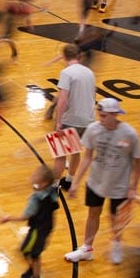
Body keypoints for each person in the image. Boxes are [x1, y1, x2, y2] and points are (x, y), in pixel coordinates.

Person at [64, 97, 140, 265]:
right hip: (95, 181)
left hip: (119, 185)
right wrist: (75, 182)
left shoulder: (129, 134)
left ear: (115, 115)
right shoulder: (93, 129)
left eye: (104, 116)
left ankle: (116, 245)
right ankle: (87, 249)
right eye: (99, 115)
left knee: (115, 218)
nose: (100, 119)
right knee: (93, 213)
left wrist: (133, 187)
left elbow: (138, 162)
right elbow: (86, 157)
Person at [0, 166, 60, 278]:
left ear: (42, 183)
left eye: (35, 175)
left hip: (37, 229)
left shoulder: (35, 199)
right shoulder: (51, 191)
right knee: (29, 250)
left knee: (30, 253)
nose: (32, 176)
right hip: (47, 226)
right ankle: (33, 269)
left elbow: (25, 216)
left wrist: (8, 218)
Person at [52, 43, 96, 178]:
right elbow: (93, 96)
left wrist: (59, 122)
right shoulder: (89, 72)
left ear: (64, 56)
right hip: (87, 120)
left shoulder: (66, 73)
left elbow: (63, 99)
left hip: (70, 119)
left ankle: (53, 187)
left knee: (60, 155)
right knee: (75, 151)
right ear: (79, 56)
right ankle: (69, 180)